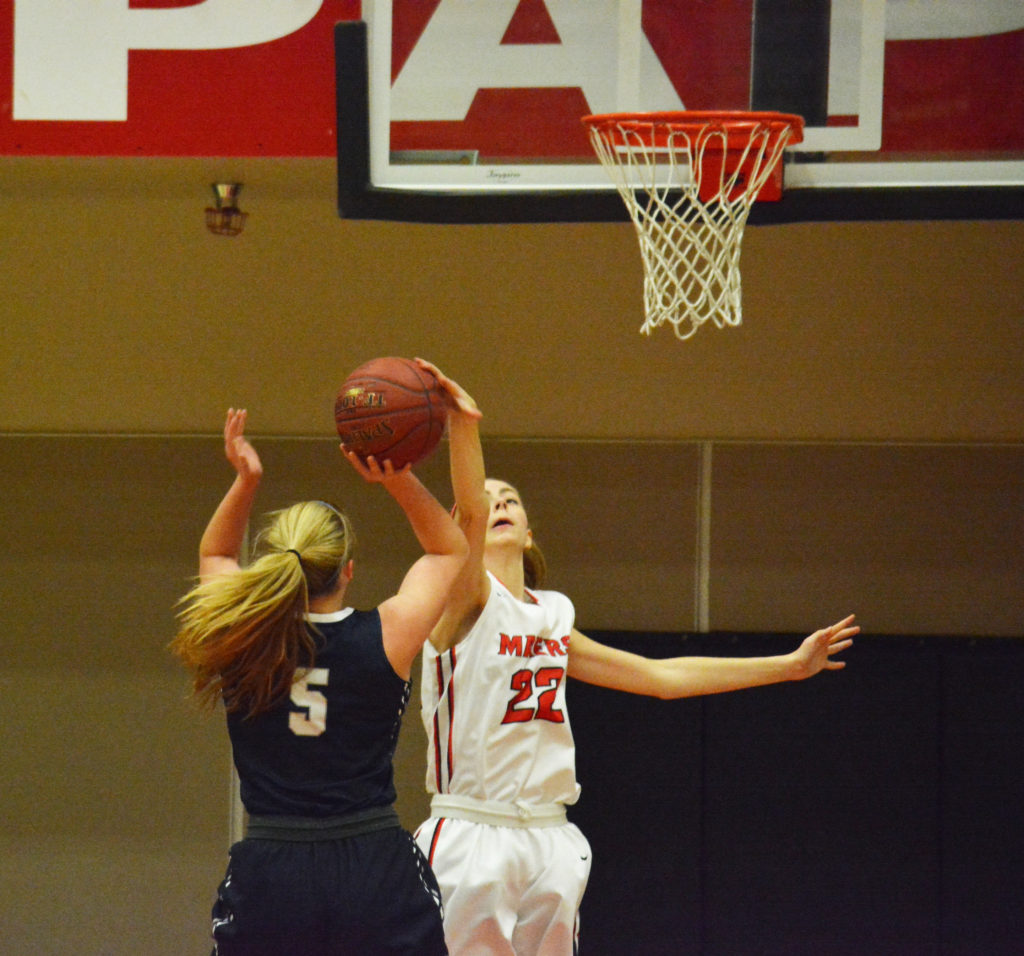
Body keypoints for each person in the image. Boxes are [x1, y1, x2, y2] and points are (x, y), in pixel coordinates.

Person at [414, 469, 858, 956]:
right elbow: (469, 512)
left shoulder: (554, 617)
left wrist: (788, 666)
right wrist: (464, 422)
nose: (497, 505)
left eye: (511, 499)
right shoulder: (458, 599)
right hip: (475, 829)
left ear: (529, 531)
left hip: (547, 831)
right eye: (483, 501)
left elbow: (659, 678)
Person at [171, 362, 482, 956]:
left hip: (272, 865)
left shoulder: (240, 634)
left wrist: (245, 481)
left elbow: (215, 550)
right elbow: (449, 547)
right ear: (348, 570)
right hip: (370, 861)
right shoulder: (387, 635)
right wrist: (394, 474)